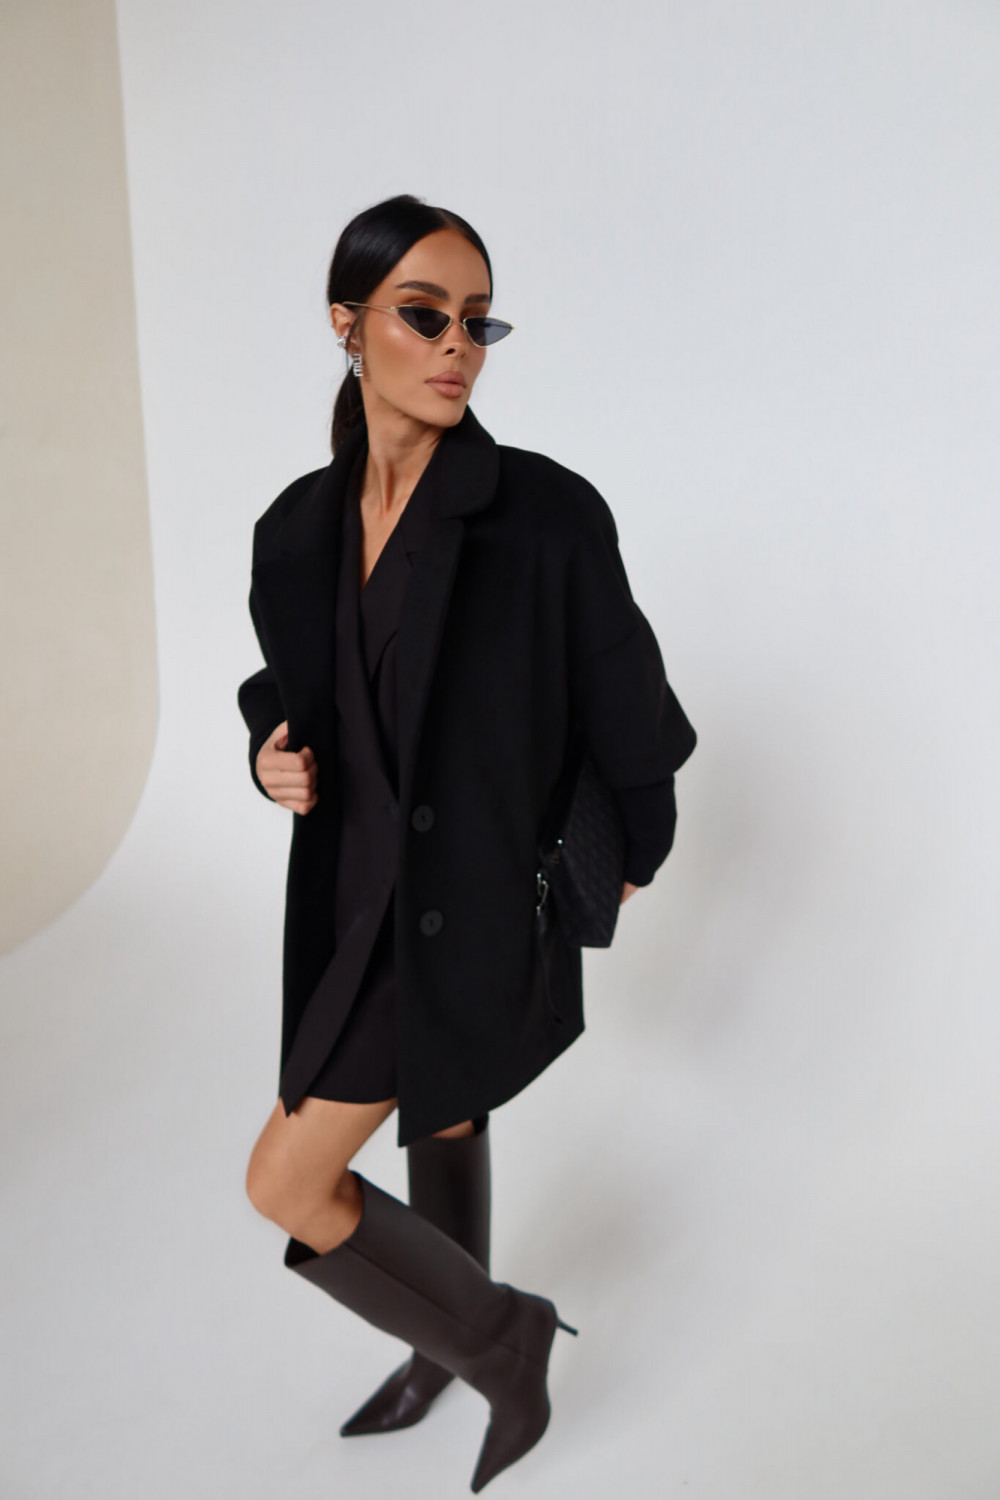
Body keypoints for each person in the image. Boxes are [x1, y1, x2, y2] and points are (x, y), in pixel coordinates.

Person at [237, 193, 697, 1492]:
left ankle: (499, 1340)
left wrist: (632, 853)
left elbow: (629, 703)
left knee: (286, 1181)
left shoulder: (541, 515)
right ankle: (441, 1337)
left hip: (475, 895)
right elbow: (289, 686)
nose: (457, 347)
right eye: (423, 314)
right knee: (441, 1116)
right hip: (350, 892)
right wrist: (269, 745)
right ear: (348, 325)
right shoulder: (295, 530)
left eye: (476, 322)